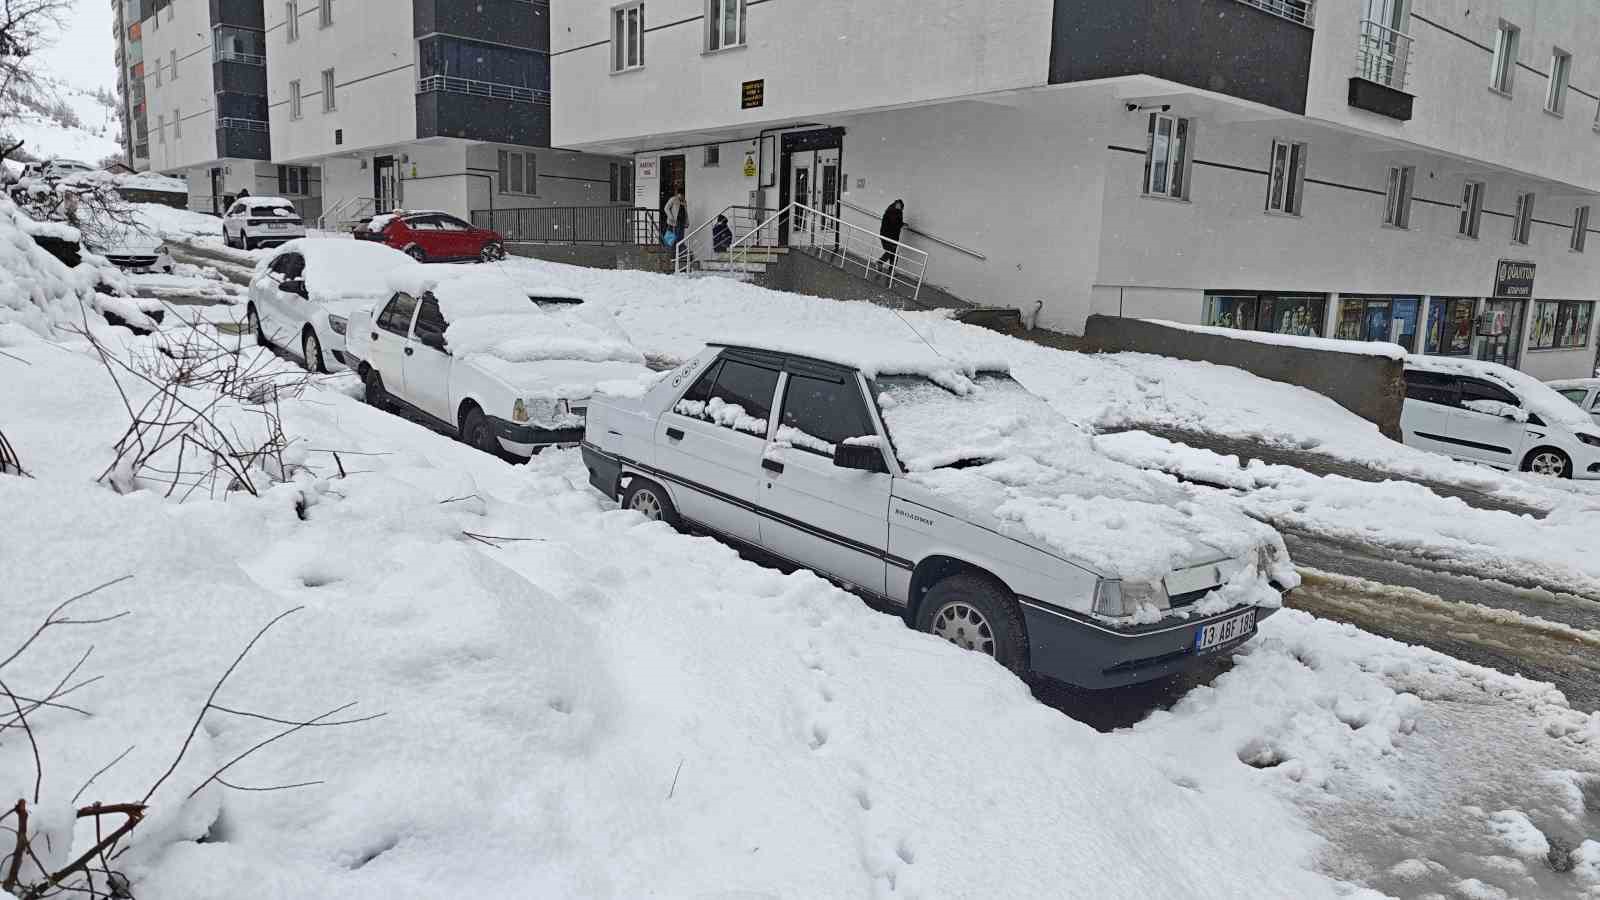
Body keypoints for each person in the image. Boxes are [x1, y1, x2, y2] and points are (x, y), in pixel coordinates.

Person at [878, 199, 905, 271]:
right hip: (888, 236)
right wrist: (901, 224)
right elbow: (894, 223)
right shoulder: (892, 212)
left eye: (900, 205)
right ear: (895, 204)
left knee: (892, 253)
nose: (898, 206)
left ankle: (890, 270)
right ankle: (880, 263)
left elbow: (895, 223)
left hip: (889, 236)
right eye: (897, 205)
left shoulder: (893, 211)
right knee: (891, 252)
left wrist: (901, 224)